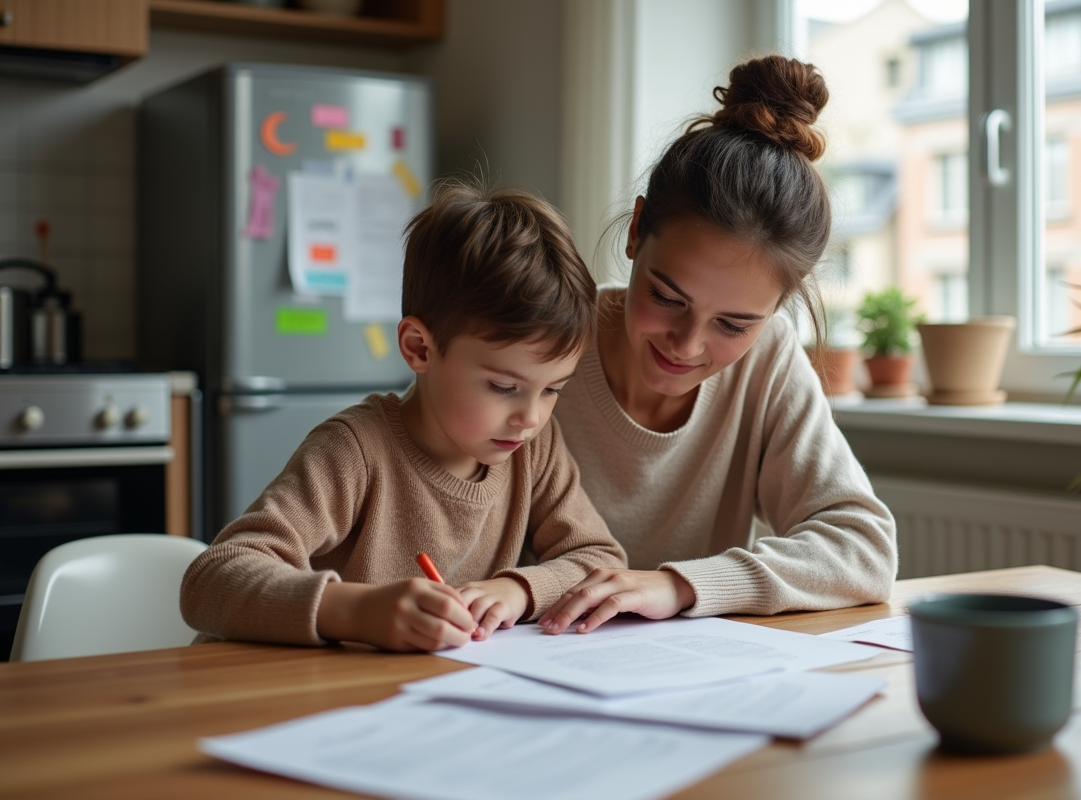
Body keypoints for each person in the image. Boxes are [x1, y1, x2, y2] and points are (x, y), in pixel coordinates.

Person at [181, 181, 627, 652]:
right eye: (503, 387)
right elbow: (212, 579)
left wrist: (518, 590)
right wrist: (356, 612)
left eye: (553, 389)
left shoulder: (534, 449)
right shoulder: (355, 450)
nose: (531, 417)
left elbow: (599, 560)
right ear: (419, 348)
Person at [538, 54, 898, 635]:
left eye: (733, 325)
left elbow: (864, 550)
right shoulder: (543, 338)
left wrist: (679, 585)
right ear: (635, 231)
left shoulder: (769, 357)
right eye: (667, 297)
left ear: (777, 308)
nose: (686, 345)